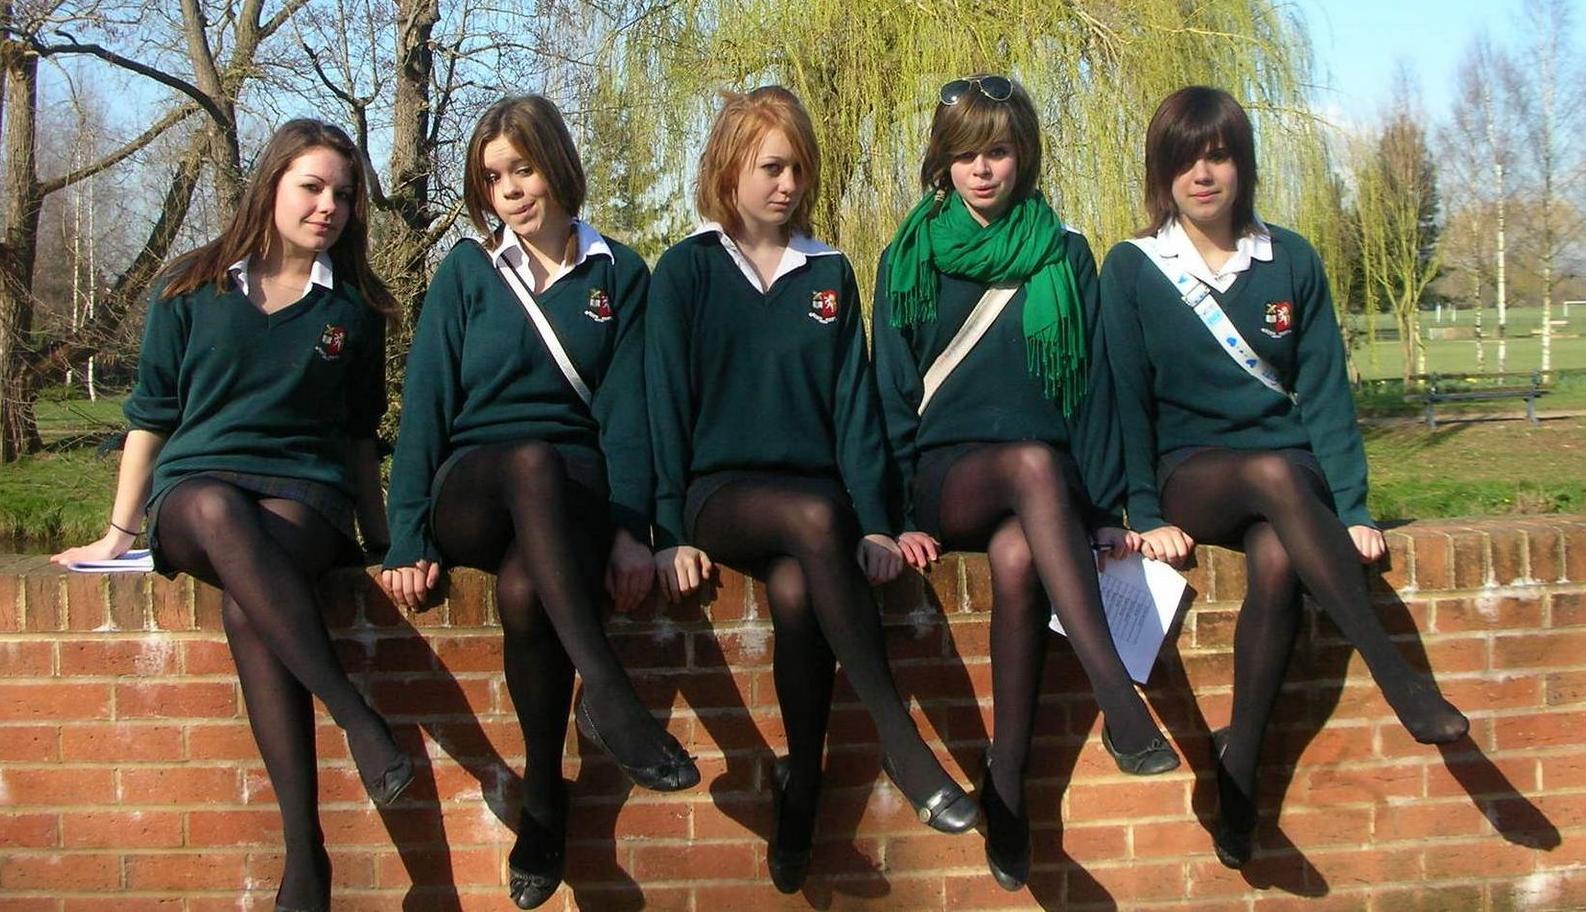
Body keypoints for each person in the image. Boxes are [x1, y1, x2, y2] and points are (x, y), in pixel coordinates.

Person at [1100, 85, 1469, 870]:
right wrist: (1138, 505)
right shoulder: (1132, 268)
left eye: (1219, 154)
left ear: (1243, 164)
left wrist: (1356, 506)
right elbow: (1123, 397)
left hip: (1288, 476)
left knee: (1276, 557)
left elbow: (1326, 389)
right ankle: (1399, 677)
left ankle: (1236, 778)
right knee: (1271, 474)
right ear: (1162, 172)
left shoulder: (1290, 257)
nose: (1204, 173)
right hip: (1190, 476)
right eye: (1186, 158)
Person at [52, 120, 408, 912]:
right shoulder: (190, 285)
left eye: (344, 195)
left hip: (304, 496)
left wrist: (381, 537)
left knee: (255, 606)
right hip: (196, 493)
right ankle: (355, 716)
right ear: (272, 183)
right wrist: (118, 534)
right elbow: (151, 416)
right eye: (312, 187)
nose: (329, 207)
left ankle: (305, 859)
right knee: (215, 507)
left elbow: (356, 438)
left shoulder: (353, 308)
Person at [646, 85, 980, 894]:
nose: (787, 183)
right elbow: (660, 407)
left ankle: (800, 799)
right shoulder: (686, 270)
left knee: (800, 592)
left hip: (816, 515)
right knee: (811, 515)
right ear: (728, 169)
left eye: (799, 167)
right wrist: (665, 532)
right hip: (720, 497)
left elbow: (853, 412)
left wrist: (878, 525)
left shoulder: (829, 271)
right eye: (770, 166)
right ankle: (902, 746)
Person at [379, 95, 698, 910]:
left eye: (521, 169)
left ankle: (545, 804)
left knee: (527, 590)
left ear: (555, 163)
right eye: (492, 178)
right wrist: (406, 534)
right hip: (474, 492)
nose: (510, 190)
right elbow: (424, 410)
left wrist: (632, 533)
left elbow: (629, 418)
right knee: (525, 458)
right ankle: (614, 701)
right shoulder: (465, 272)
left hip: (575, 494)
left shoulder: (622, 272)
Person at [870, 75, 1170, 892]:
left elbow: (1094, 390)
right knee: (1029, 466)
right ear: (942, 161)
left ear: (1023, 156)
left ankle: (1007, 796)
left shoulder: (1065, 249)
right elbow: (891, 398)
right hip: (948, 479)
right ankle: (1119, 697)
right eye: (965, 153)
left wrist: (1108, 510)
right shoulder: (908, 256)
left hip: (1042, 493)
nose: (981, 169)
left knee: (1017, 561)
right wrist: (893, 516)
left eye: (997, 151)